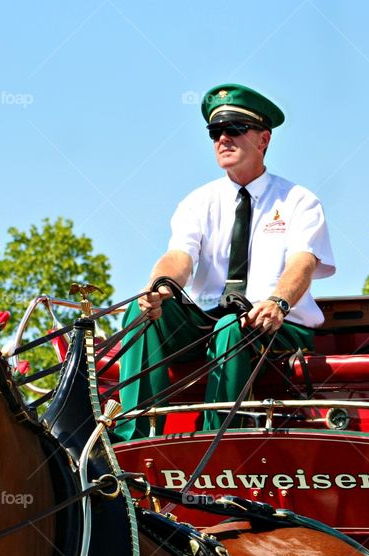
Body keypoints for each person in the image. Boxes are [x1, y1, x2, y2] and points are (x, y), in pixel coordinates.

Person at [115, 83, 335, 440]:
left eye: (234, 129)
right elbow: (179, 257)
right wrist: (158, 288)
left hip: (278, 325)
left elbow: (302, 263)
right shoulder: (198, 202)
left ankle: (215, 442)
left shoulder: (298, 200)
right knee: (143, 314)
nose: (223, 139)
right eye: (216, 132)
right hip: (207, 321)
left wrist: (277, 302)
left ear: (263, 139)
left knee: (231, 327)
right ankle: (133, 441)